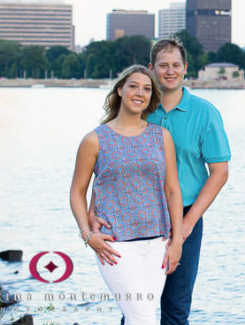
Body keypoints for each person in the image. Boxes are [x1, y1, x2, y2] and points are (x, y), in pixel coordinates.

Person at [90, 38, 231, 325]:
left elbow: (220, 172)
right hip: (135, 219)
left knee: (176, 308)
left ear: (185, 68)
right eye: (163, 65)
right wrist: (94, 210)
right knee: (135, 307)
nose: (170, 71)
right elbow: (106, 163)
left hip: (185, 217)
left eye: (176, 65)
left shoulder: (205, 113)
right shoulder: (139, 105)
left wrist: (187, 225)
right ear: (152, 68)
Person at [71, 65, 184, 325]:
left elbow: (172, 190)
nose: (139, 93)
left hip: (157, 243)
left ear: (151, 98)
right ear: (120, 90)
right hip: (116, 245)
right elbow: (77, 192)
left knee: (142, 318)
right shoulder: (95, 139)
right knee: (143, 318)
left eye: (146, 89)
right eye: (133, 86)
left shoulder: (161, 136)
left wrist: (176, 240)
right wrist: (87, 235)